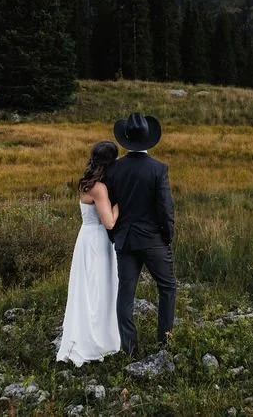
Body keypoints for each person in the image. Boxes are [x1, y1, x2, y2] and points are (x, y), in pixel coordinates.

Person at [105, 112, 177, 356]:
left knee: (125, 292)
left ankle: (130, 349)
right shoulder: (158, 169)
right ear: (149, 138)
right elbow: (165, 208)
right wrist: (167, 236)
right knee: (167, 287)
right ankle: (165, 343)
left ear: (126, 138)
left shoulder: (114, 169)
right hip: (153, 239)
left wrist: (114, 235)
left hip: (125, 239)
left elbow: (109, 205)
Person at [56, 141, 122, 366]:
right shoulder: (99, 189)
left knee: (87, 288)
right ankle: (97, 340)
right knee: (99, 289)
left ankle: (87, 332)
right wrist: (121, 203)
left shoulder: (85, 183)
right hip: (97, 241)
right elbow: (110, 222)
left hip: (85, 237)